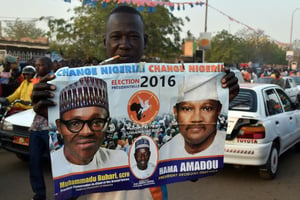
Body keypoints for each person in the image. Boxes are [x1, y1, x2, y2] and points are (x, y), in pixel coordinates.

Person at [31, 5, 239, 199]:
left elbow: (190, 167)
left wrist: (222, 97)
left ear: (144, 41)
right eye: (116, 37)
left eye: (132, 37)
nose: (124, 44)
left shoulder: (168, 85)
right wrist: (48, 113)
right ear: (105, 42)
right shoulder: (77, 86)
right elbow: (70, 173)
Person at [52, 76, 153, 199]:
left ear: (107, 124)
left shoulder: (120, 160)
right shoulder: (52, 163)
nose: (86, 132)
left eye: (97, 122)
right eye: (74, 123)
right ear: (60, 127)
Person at [159, 75, 225, 160]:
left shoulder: (228, 147)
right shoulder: (166, 151)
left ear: (218, 110)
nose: (196, 119)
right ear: (176, 112)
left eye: (206, 108)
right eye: (187, 109)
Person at [29, 56, 53, 200]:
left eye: (41, 65)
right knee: (34, 163)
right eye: (36, 65)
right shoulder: (36, 83)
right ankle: (39, 195)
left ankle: (63, 193)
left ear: (49, 66)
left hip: (50, 129)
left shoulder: (56, 82)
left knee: (56, 164)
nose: (37, 68)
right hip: (36, 128)